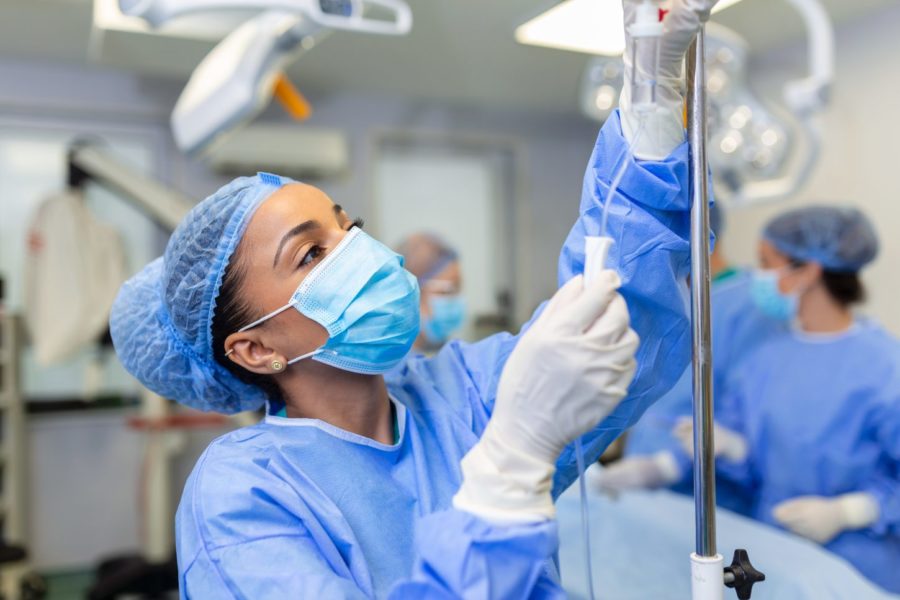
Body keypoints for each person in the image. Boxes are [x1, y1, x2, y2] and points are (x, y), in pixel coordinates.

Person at [108, 1, 718, 595]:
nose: (357, 251)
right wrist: (505, 475)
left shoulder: (459, 395)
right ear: (255, 348)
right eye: (312, 254)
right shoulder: (241, 496)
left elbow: (622, 312)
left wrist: (652, 88)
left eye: (346, 226)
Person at [675, 205, 900, 593]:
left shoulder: (885, 367)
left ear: (809, 271)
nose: (757, 277)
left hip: (859, 572)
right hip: (775, 561)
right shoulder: (765, 357)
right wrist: (732, 449)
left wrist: (850, 511)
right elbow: (763, 462)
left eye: (766, 263)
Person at [593, 204, 785, 516]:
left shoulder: (749, 308)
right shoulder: (673, 300)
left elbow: (745, 417)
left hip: (714, 499)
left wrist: (669, 465)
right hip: (649, 491)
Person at [396, 232, 465, 351]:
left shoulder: (443, 355)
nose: (455, 299)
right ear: (411, 295)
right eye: (446, 291)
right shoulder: (389, 365)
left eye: (458, 289)